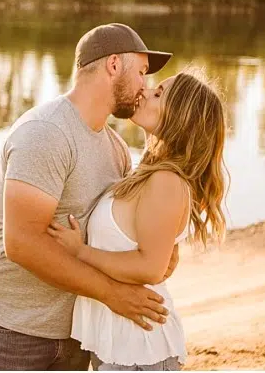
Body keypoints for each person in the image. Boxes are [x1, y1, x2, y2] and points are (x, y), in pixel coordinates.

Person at [0, 23, 174, 371]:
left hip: (77, 333)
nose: (144, 86)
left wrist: (164, 253)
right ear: (113, 66)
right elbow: (22, 242)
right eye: (140, 72)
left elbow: (124, 234)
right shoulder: (47, 134)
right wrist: (111, 293)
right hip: (12, 333)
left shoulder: (117, 150)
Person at [48, 70, 230, 371]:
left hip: (139, 348)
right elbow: (156, 254)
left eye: (159, 93)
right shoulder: (148, 173)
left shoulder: (165, 181)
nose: (144, 90)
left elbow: (150, 267)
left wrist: (80, 253)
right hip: (121, 339)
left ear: (180, 117)